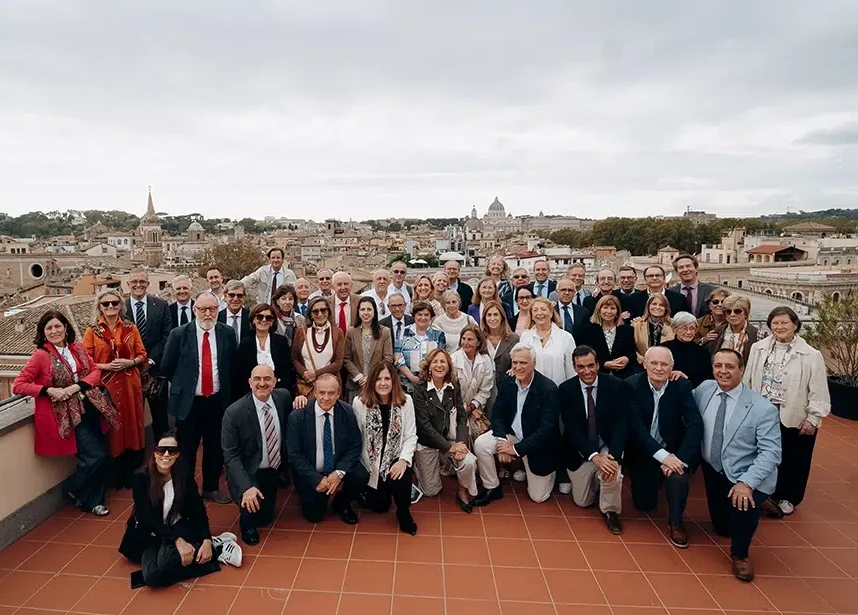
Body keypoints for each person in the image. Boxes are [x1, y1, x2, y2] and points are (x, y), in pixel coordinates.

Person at [14, 311, 118, 516]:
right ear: (43, 333)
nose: (54, 331)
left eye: (58, 326)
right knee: (94, 456)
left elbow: (95, 371)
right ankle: (75, 489)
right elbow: (19, 385)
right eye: (49, 328)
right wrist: (48, 390)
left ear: (65, 327)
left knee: (97, 454)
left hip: (89, 407)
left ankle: (91, 498)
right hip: (66, 415)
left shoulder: (76, 348)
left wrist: (76, 387)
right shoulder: (40, 356)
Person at [694, 349, 781, 582]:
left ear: (741, 370)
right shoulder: (704, 389)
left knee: (744, 505)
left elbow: (772, 453)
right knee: (722, 528)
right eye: (718, 366)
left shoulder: (763, 409)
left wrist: (747, 483)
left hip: (745, 471)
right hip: (713, 467)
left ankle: (741, 554)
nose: (723, 371)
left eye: (730, 367)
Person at [125, 430, 241, 587]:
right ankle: (216, 551)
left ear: (177, 454)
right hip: (154, 532)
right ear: (154, 452)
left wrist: (206, 538)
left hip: (180, 527)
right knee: (152, 576)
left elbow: (198, 510)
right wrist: (177, 541)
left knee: (165, 562)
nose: (166, 454)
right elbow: (147, 517)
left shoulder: (183, 475)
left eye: (171, 451)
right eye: (161, 449)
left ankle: (212, 545)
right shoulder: (141, 478)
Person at [744, 306, 829, 517]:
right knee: (763, 453)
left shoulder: (811, 354)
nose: (780, 327)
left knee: (793, 458)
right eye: (775, 323)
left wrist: (813, 417)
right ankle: (763, 493)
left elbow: (818, 389)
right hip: (763, 411)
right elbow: (748, 378)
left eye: (785, 323)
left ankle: (788, 497)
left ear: (795, 325)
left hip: (793, 414)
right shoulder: (758, 348)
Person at [161, 292, 237, 504]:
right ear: (194, 310)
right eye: (203, 309)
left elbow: (232, 367)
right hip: (189, 403)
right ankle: (186, 490)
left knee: (214, 448)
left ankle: (211, 488)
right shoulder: (179, 334)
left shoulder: (227, 333)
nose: (207, 313)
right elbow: (167, 367)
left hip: (216, 401)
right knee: (186, 449)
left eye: (212, 309)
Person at [625, 347, 703, 547]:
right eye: (654, 363)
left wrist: (679, 459)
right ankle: (655, 479)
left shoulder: (682, 385)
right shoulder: (632, 385)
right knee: (644, 505)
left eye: (664, 364)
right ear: (645, 364)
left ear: (672, 367)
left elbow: (695, 423)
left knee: (678, 478)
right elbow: (637, 428)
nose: (659, 368)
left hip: (673, 450)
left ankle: (676, 522)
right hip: (644, 450)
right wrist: (663, 457)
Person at [473, 344, 559, 504]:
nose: (518, 367)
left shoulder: (548, 389)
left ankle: (546, 471)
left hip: (536, 443)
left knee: (538, 497)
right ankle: (492, 487)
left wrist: (514, 450)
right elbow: (497, 412)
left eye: (524, 363)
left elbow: (546, 429)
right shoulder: (509, 382)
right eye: (515, 363)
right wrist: (502, 442)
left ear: (534, 363)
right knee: (481, 444)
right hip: (511, 435)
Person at [557, 346, 629, 535]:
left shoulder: (615, 385)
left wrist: (612, 455)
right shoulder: (565, 390)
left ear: (598, 365)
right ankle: (596, 482)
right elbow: (571, 429)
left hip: (606, 444)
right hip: (581, 450)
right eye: (581, 367)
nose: (586, 371)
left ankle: (610, 511)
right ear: (574, 367)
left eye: (591, 365)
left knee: (611, 471)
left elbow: (621, 424)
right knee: (583, 502)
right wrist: (595, 456)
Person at [83, 289, 148, 488]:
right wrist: (106, 366)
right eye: (106, 304)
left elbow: (142, 354)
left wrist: (130, 363)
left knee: (132, 425)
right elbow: (85, 361)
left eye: (114, 303)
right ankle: (115, 477)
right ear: (99, 307)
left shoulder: (131, 328)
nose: (110, 307)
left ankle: (132, 472)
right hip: (107, 387)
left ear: (121, 305)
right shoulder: (92, 331)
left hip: (130, 385)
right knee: (112, 428)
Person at [222, 365, 292, 545]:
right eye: (257, 379)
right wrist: (246, 487)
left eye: (267, 379)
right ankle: (246, 524)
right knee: (251, 511)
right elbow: (230, 456)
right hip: (249, 469)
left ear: (274, 382)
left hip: (273, 467)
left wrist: (300, 399)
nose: (262, 383)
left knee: (266, 518)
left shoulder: (283, 397)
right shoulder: (234, 413)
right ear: (250, 383)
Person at [285, 374, 369, 524]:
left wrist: (339, 472)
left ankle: (342, 503)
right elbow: (294, 454)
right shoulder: (298, 416)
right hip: (311, 470)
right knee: (314, 516)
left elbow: (355, 444)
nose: (326, 398)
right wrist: (315, 478)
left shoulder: (347, 412)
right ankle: (308, 495)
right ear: (315, 393)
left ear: (338, 393)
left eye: (331, 393)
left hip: (337, 466)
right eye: (322, 393)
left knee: (361, 475)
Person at [352, 362, 419, 535]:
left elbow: (411, 436)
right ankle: (370, 491)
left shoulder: (406, 401)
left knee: (401, 477)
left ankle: (403, 512)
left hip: (395, 457)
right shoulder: (359, 403)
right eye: (378, 379)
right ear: (372, 382)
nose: (383, 383)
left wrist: (403, 460)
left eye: (387, 378)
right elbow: (356, 437)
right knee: (380, 507)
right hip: (371, 462)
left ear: (394, 381)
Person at [412, 349, 480, 513]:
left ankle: (462, 490)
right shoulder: (420, 389)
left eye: (443, 362)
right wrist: (450, 449)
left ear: (449, 367)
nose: (439, 365)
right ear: (429, 366)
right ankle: (421, 466)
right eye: (435, 361)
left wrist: (460, 443)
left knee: (469, 462)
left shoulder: (454, 386)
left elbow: (462, 417)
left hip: (450, 439)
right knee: (431, 491)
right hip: (428, 443)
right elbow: (424, 426)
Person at [125, 269, 172, 441]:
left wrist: (150, 360)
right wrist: (134, 362)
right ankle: (135, 459)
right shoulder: (120, 308)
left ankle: (163, 456)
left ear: (148, 284)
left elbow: (167, 336)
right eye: (134, 281)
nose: (138, 285)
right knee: (132, 418)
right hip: (129, 371)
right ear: (128, 284)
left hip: (156, 371)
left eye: (142, 281)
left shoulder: (161, 305)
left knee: (160, 417)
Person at [233, 303, 295, 398]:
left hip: (278, 393)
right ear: (253, 320)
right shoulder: (245, 343)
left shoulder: (281, 341)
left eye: (268, 318)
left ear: (272, 322)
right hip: (252, 394)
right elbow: (241, 375)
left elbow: (287, 371)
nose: (264, 320)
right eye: (260, 317)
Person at [292, 296, 345, 399]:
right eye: (315, 311)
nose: (320, 314)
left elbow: (338, 363)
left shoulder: (337, 333)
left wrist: (316, 374)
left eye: (323, 310)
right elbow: (294, 359)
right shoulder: (301, 331)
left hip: (329, 386)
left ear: (328, 312)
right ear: (310, 315)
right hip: (307, 387)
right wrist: (305, 374)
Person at [344, 296, 394, 403]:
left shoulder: (384, 332)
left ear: (374, 312)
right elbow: (346, 358)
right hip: (356, 384)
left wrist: (371, 377)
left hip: (377, 383)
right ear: (358, 312)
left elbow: (388, 358)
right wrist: (359, 377)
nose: (366, 313)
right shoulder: (351, 332)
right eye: (362, 309)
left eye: (369, 309)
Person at [451, 326, 495, 441]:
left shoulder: (485, 360)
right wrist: (462, 409)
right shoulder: (453, 360)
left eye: (470, 339)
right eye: (463, 338)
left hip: (474, 409)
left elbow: (485, 390)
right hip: (454, 411)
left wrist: (472, 406)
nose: (465, 342)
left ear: (479, 342)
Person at [519, 297, 575, 386]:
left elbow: (571, 370)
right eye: (535, 310)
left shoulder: (566, 337)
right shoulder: (525, 337)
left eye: (543, 309)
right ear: (532, 315)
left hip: (559, 390)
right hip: (532, 391)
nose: (539, 313)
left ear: (551, 313)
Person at [578, 294, 636, 379]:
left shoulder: (627, 330)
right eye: (605, 307)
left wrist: (627, 359)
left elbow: (632, 354)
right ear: (599, 310)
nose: (609, 311)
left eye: (612, 308)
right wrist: (604, 364)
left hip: (622, 377)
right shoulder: (588, 330)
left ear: (617, 312)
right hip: (597, 376)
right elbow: (584, 355)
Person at [395, 301, 447, 392]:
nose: (423, 318)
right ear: (414, 316)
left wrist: (428, 376)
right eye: (420, 314)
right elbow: (398, 358)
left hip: (431, 381)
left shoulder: (438, 334)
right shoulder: (402, 332)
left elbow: (441, 358)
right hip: (406, 383)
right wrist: (411, 377)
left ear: (431, 317)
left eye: (426, 315)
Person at [481, 301, 520, 414]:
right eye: (489, 315)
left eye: (495, 314)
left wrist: (514, 368)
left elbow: (518, 360)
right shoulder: (480, 338)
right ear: (484, 318)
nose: (492, 318)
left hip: (505, 388)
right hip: (483, 387)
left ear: (502, 317)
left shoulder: (514, 339)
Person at [662, 312, 714, 387]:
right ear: (674, 329)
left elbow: (707, 379)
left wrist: (686, 378)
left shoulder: (702, 352)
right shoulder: (663, 349)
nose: (688, 332)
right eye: (684, 328)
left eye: (692, 328)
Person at [706, 294, 758, 365]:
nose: (732, 314)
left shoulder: (757, 334)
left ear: (746, 313)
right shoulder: (717, 332)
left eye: (737, 311)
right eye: (728, 311)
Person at [632, 294, 675, 365]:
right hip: (641, 366)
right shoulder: (636, 325)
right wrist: (642, 360)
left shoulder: (673, 326)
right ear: (648, 306)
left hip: (664, 367)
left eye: (661, 305)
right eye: (654, 304)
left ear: (666, 308)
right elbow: (630, 347)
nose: (657, 307)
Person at [217, 280, 252, 345]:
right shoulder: (217, 318)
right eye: (231, 295)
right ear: (225, 296)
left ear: (244, 298)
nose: (235, 299)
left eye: (239, 295)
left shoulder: (251, 318)